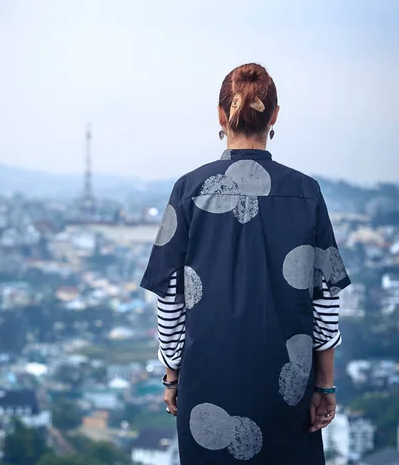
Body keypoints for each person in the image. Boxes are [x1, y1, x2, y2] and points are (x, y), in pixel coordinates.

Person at [140, 63, 351, 464]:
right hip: (288, 389)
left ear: (222, 116)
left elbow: (170, 299)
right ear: (274, 116)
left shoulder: (188, 191)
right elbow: (326, 302)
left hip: (207, 382)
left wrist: (172, 374)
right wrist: (325, 385)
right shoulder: (307, 193)